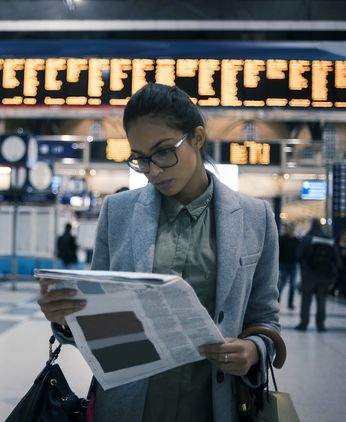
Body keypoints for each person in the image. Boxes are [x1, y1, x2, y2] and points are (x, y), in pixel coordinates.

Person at [38, 83, 280, 421]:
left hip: (214, 406)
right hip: (129, 406)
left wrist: (254, 350)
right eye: (140, 157)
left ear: (197, 138)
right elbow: (95, 329)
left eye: (164, 151)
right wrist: (66, 320)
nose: (153, 169)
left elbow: (266, 318)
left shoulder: (255, 219)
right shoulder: (118, 213)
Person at [295, 218, 340, 332]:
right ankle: (321, 324)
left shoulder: (308, 238)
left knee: (306, 300)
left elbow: (298, 254)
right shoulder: (329, 239)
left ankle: (303, 323)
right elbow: (336, 259)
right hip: (324, 275)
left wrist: (304, 267)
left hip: (309, 275)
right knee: (321, 300)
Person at [278, 222, 300, 309]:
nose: (291, 230)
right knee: (281, 284)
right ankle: (277, 301)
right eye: (289, 228)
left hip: (293, 265)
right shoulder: (282, 239)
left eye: (292, 228)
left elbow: (298, 253)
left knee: (293, 285)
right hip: (283, 264)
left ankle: (290, 303)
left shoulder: (296, 240)